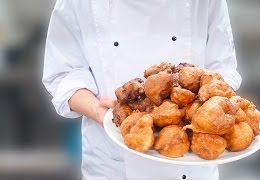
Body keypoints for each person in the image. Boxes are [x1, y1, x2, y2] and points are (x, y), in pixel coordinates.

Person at [43, 0, 241, 179]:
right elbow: (63, 74)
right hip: (113, 163)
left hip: (194, 162)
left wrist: (213, 111)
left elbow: (223, 66)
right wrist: (97, 110)